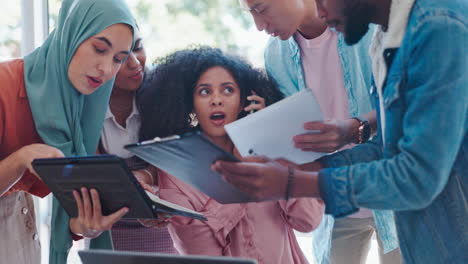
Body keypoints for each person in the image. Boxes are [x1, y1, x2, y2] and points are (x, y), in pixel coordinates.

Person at [214, 0, 468, 263]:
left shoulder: (438, 24)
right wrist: (300, 171)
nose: (319, 12)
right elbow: (389, 144)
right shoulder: (385, 35)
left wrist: (296, 182)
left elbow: (417, 175)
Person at [238, 0, 399, 263]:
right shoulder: (274, 55)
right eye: (250, 14)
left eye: (261, 8)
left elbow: (405, 107)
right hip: (334, 204)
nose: (258, 26)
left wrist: (356, 129)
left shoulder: (370, 25)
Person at [138, 46, 324, 264]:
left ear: (244, 100)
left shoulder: (270, 155)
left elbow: (308, 221)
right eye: (205, 91)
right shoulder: (176, 174)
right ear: (190, 104)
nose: (217, 100)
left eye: (228, 90)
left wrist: (269, 147)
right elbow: (202, 256)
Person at [0, 0, 136, 263]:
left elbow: (70, 210)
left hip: (20, 234)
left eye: (118, 59)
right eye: (99, 49)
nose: (106, 69)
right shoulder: (4, 85)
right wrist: (21, 159)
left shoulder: (82, 105)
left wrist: (85, 226)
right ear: (70, 34)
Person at [98, 27, 178, 254]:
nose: (136, 63)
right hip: (107, 242)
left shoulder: (168, 101)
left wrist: (146, 176)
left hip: (167, 238)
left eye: (138, 47)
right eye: (121, 58)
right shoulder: (83, 116)